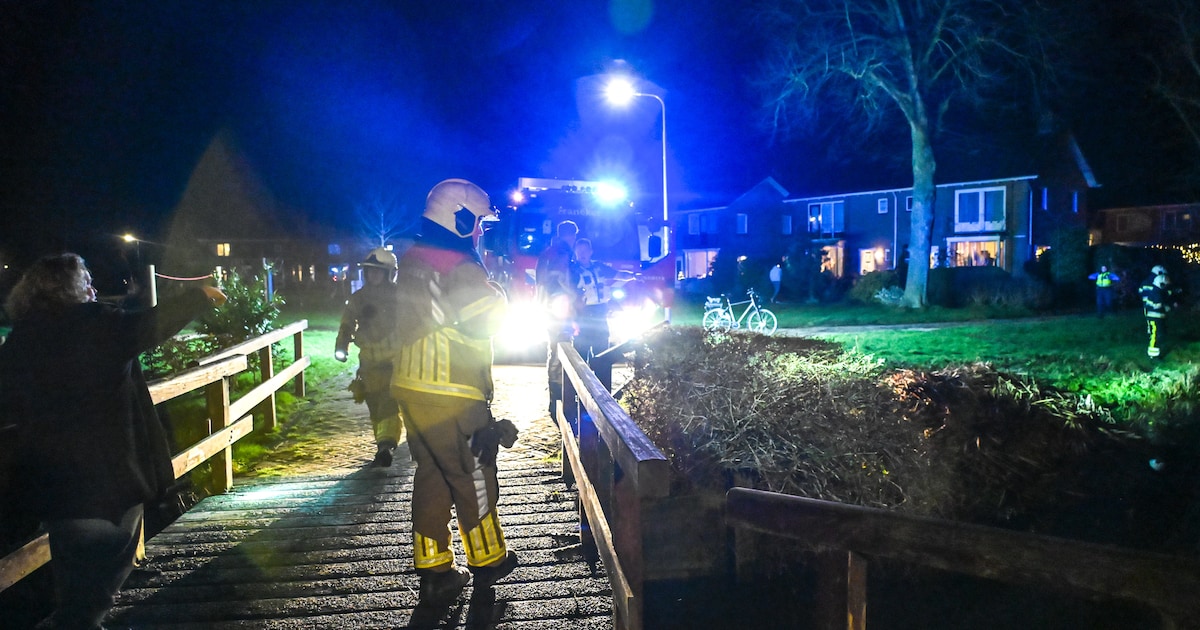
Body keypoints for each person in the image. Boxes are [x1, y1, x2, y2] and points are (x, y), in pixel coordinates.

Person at [0, 253, 226, 629]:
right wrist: (201, 295)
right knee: (103, 577)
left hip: (55, 483)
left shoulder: (21, 339)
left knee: (76, 579)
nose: (93, 288)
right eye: (86, 281)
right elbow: (153, 324)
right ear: (73, 289)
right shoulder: (99, 326)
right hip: (112, 475)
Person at [390, 179, 519, 606]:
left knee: (431, 473)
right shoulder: (459, 264)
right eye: (479, 222)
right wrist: (499, 294)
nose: (481, 231)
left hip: (412, 387)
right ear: (461, 219)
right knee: (474, 472)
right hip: (452, 390)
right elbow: (484, 319)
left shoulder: (411, 258)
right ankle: (488, 559)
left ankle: (434, 569)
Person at [335, 247, 406, 467]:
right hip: (369, 363)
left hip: (395, 361)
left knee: (388, 402)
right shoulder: (358, 298)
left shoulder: (400, 296)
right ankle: (384, 442)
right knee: (375, 404)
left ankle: (386, 445)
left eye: (378, 271)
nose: (373, 275)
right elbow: (347, 323)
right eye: (370, 271)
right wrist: (342, 346)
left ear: (388, 273)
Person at [534, 220, 578, 416]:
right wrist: (573, 296)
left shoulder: (548, 252)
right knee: (561, 350)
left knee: (555, 349)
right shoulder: (562, 253)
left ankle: (556, 396)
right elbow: (561, 279)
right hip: (559, 310)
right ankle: (559, 397)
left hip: (550, 309)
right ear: (569, 235)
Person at [571, 238, 634, 363]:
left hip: (600, 313)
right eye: (579, 251)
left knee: (602, 352)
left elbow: (618, 275)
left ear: (591, 252)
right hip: (583, 314)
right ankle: (581, 380)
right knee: (581, 351)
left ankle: (601, 381)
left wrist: (633, 276)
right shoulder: (572, 270)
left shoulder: (598, 267)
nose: (582, 254)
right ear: (575, 252)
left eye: (585, 251)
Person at [1138, 269, 1177, 359]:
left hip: (1157, 317)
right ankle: (1153, 355)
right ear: (1161, 284)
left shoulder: (1157, 292)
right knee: (1155, 335)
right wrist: (1164, 306)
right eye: (1166, 285)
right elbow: (1157, 305)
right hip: (1155, 318)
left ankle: (1155, 353)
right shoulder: (1156, 293)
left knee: (1158, 335)